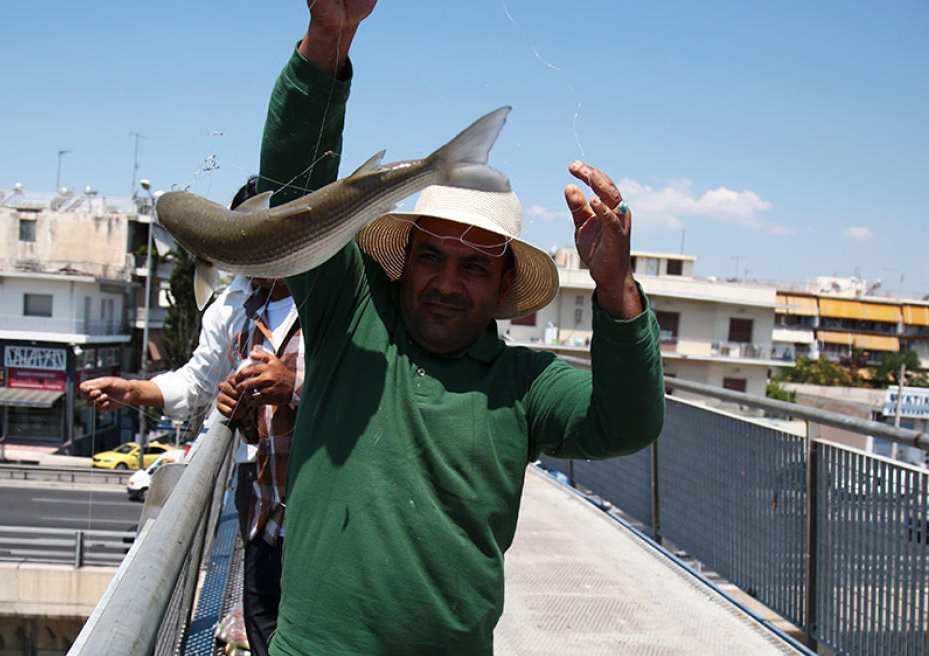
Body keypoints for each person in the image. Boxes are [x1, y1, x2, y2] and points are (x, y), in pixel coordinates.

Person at [252, 2, 665, 654]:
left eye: (474, 266)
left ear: (504, 286)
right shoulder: (350, 310)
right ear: (403, 259)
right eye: (431, 257)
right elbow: (293, 196)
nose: (446, 282)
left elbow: (629, 424)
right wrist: (329, 37)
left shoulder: (525, 384)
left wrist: (616, 291)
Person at [80, 179, 304, 656]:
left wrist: (294, 384)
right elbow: (200, 380)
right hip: (263, 496)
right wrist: (134, 390)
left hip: (319, 503)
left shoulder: (332, 301)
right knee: (265, 617)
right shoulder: (236, 306)